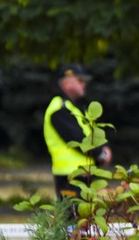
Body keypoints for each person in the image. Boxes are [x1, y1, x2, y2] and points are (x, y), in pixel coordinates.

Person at [42, 63, 112, 203]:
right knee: (73, 221)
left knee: (86, 221)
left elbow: (92, 135)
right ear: (67, 82)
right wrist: (101, 154)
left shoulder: (76, 108)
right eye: (80, 81)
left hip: (84, 174)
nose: (84, 85)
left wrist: (103, 149)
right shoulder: (59, 109)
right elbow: (79, 140)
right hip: (70, 177)